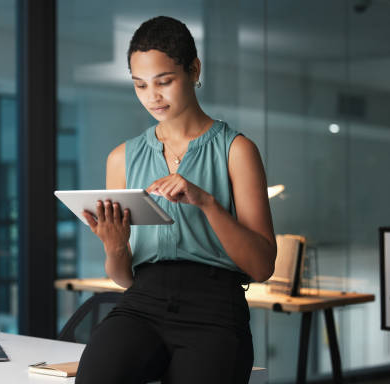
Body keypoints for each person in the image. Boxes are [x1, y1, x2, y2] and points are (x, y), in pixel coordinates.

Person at [75, 15, 276, 384]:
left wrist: (207, 202)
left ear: (194, 69)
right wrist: (116, 246)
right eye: (140, 85)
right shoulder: (121, 158)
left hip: (215, 310)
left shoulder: (237, 151)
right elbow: (123, 279)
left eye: (164, 81)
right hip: (142, 305)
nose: (152, 96)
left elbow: (262, 266)